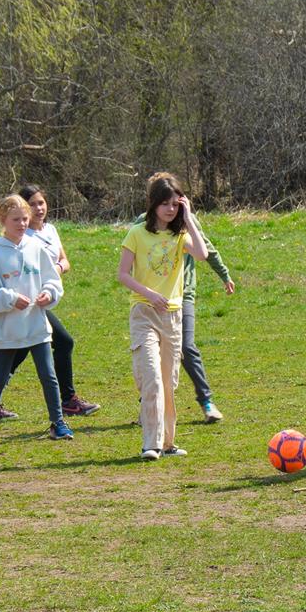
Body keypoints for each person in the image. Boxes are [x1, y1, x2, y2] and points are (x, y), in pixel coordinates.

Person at [117, 173, 210, 461]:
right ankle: (150, 444)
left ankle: (168, 444)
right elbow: (122, 274)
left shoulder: (180, 235)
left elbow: (203, 254)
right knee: (152, 378)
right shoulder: (136, 234)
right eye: (165, 204)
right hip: (144, 313)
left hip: (172, 316)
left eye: (175, 204)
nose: (170, 209)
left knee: (169, 381)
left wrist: (190, 218)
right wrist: (149, 294)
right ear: (153, 204)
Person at [0, 195, 71, 443]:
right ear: (3, 220)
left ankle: (58, 422)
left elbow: (52, 279)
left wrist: (49, 293)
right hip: (8, 329)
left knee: (48, 375)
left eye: (25, 218)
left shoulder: (35, 248)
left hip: (36, 324)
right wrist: (11, 298)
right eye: (16, 219)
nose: (22, 224)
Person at [5, 185, 98, 418]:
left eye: (41, 202)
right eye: (33, 204)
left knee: (20, 350)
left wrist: (55, 269)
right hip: (30, 304)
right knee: (64, 342)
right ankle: (68, 400)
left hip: (46, 298)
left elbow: (65, 261)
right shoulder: (22, 236)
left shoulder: (51, 230)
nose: (39, 208)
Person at [180, 232, 237, 423]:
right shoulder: (143, 223)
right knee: (155, 354)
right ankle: (148, 406)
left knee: (186, 348)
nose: (172, 208)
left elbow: (207, 251)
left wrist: (224, 275)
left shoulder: (188, 222)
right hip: (152, 300)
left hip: (182, 297)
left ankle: (207, 403)